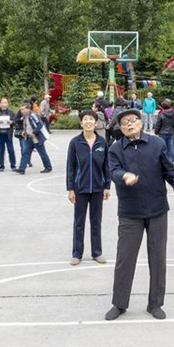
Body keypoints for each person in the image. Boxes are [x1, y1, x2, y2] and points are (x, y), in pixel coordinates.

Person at [105, 108, 174, 322]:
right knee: (125, 259)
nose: (128, 124)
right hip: (130, 212)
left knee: (158, 259)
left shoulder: (157, 144)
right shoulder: (115, 149)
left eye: (132, 120)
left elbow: (171, 172)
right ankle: (119, 304)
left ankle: (155, 304)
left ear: (141, 123)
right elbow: (113, 171)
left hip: (157, 210)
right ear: (120, 128)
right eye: (124, 123)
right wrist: (124, 175)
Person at [66, 109, 111, 265]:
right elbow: (70, 167)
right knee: (79, 222)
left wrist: (107, 186)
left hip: (98, 188)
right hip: (80, 188)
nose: (88, 122)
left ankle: (97, 252)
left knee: (96, 221)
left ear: (96, 123)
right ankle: (77, 253)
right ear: (81, 123)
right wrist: (70, 188)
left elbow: (107, 166)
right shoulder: (75, 142)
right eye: (85, 119)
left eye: (91, 119)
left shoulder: (102, 142)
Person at [15, 103, 53, 174]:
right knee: (25, 152)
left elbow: (40, 124)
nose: (21, 111)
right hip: (28, 137)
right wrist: (24, 131)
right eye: (21, 110)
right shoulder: (25, 116)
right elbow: (27, 126)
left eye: (23, 109)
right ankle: (22, 169)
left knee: (42, 152)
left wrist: (34, 132)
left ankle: (48, 167)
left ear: (28, 109)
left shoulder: (33, 115)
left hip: (36, 138)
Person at [0, 97, 17, 172]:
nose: (4, 104)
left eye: (6, 103)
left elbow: (15, 121)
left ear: (8, 104)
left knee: (11, 150)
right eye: (3, 103)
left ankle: (13, 165)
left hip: (8, 133)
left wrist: (11, 122)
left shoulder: (11, 112)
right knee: (0, 151)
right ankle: (1, 166)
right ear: (0, 104)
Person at [154, 99, 174, 163]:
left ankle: (164, 160)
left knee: (162, 147)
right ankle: (173, 160)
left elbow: (158, 124)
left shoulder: (161, 114)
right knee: (171, 147)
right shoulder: (173, 114)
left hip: (162, 132)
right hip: (171, 132)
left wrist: (156, 131)